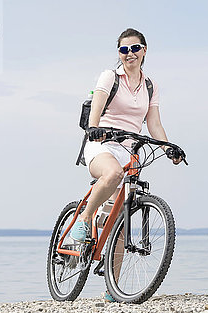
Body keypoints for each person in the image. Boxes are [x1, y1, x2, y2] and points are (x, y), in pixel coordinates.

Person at [71, 27, 183, 247]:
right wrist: (93, 128)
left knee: (120, 226)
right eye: (124, 49)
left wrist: (168, 148)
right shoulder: (110, 76)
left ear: (144, 50)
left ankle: (113, 281)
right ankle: (84, 218)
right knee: (112, 174)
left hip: (129, 151)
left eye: (135, 48)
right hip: (102, 144)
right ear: (119, 53)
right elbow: (97, 107)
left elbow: (154, 124)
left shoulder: (151, 86)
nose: (129, 53)